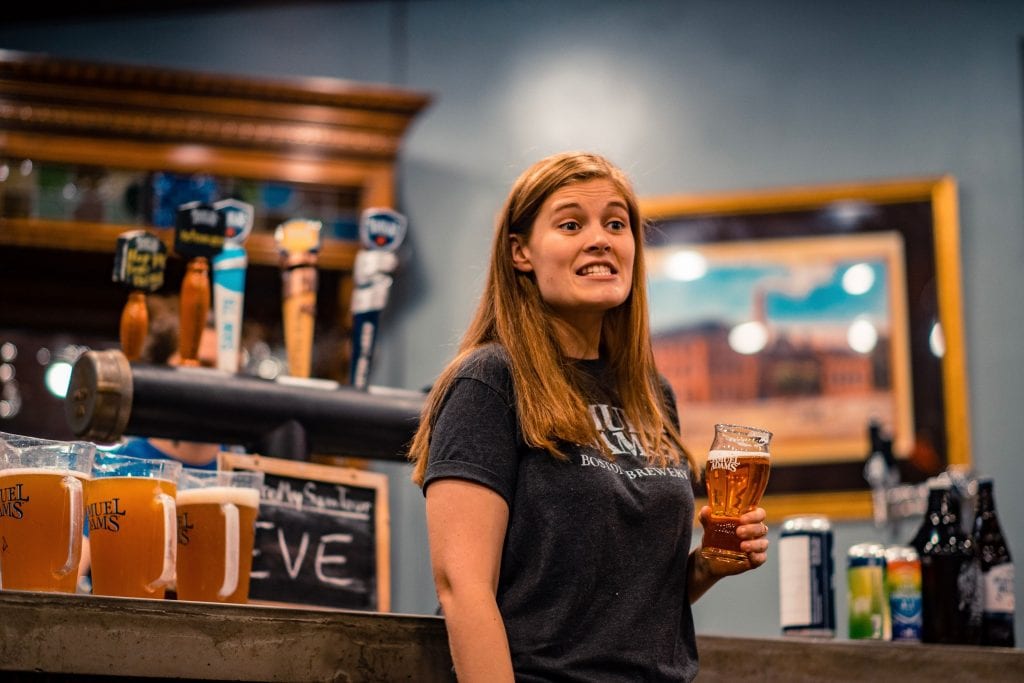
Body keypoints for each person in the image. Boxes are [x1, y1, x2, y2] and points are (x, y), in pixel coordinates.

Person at [408, 151, 769, 682]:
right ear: (520, 252)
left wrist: (704, 568)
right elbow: (462, 588)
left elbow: (627, 600)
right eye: (571, 223)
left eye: (616, 224)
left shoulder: (650, 393)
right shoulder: (489, 382)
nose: (600, 238)